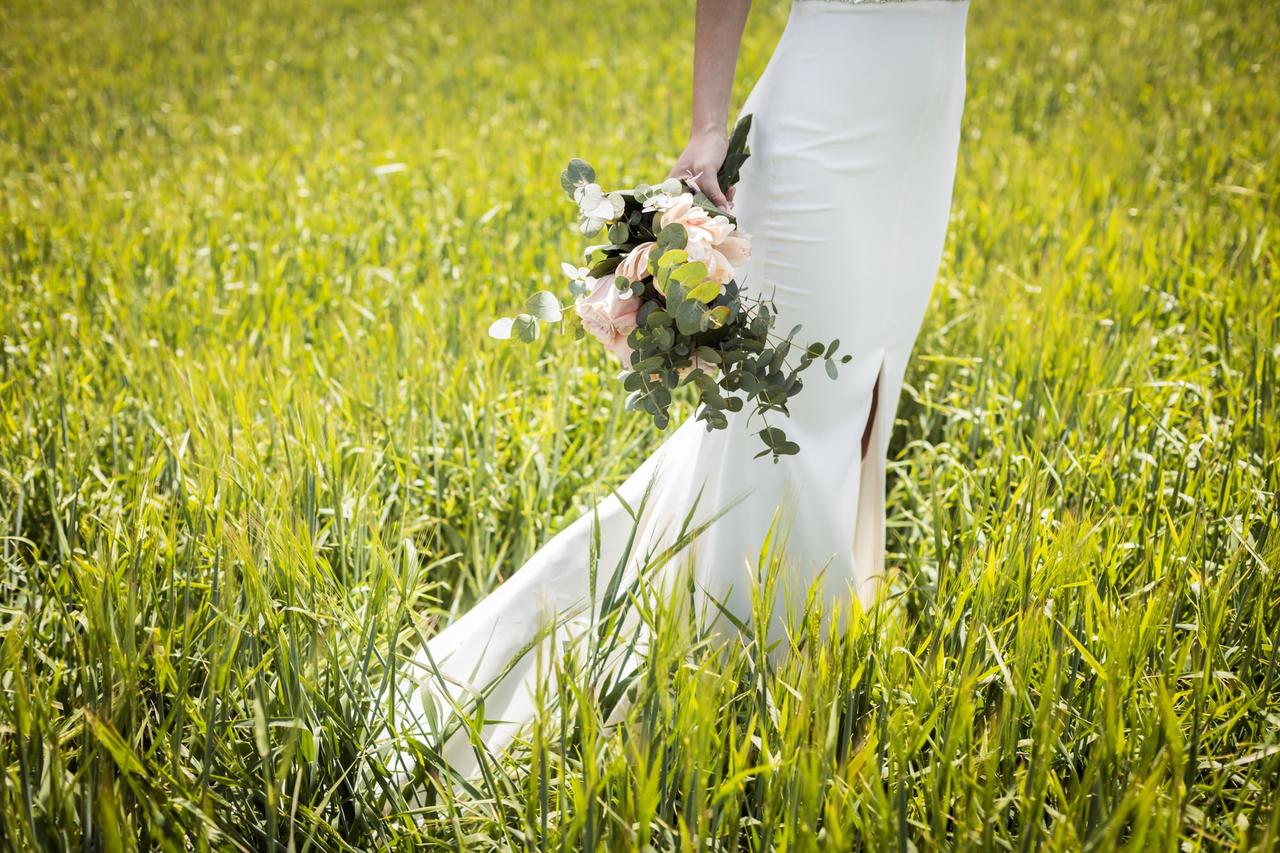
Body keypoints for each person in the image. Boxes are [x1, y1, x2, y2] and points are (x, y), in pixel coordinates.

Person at [389, 0, 970, 784]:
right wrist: (708, 124)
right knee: (788, 411)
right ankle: (747, 688)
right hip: (825, 126)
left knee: (862, 390)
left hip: (925, 132)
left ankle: (815, 657)